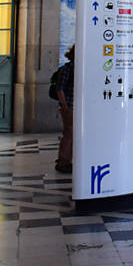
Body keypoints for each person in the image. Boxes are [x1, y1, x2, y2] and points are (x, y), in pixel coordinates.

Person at [55, 45, 75, 173]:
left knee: (72, 134)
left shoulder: (79, 69)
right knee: (69, 134)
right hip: (69, 106)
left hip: (74, 106)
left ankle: (67, 160)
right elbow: (59, 88)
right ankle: (63, 161)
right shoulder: (67, 69)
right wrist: (65, 106)